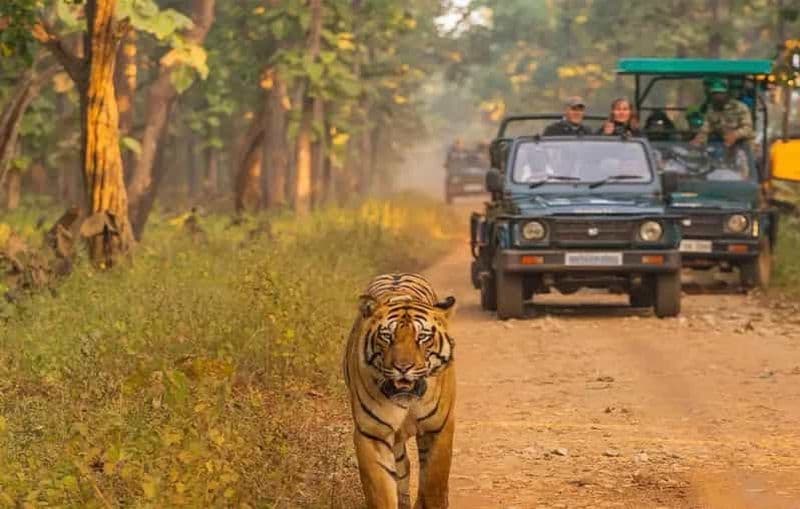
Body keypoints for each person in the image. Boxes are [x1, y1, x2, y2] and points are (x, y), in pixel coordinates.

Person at [691, 78, 754, 147]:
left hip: (744, 146)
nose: (717, 97)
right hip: (724, 146)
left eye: (720, 93)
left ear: (726, 94)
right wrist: (699, 139)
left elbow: (748, 128)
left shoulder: (739, 107)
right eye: (714, 94)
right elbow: (706, 128)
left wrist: (735, 135)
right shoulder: (712, 108)